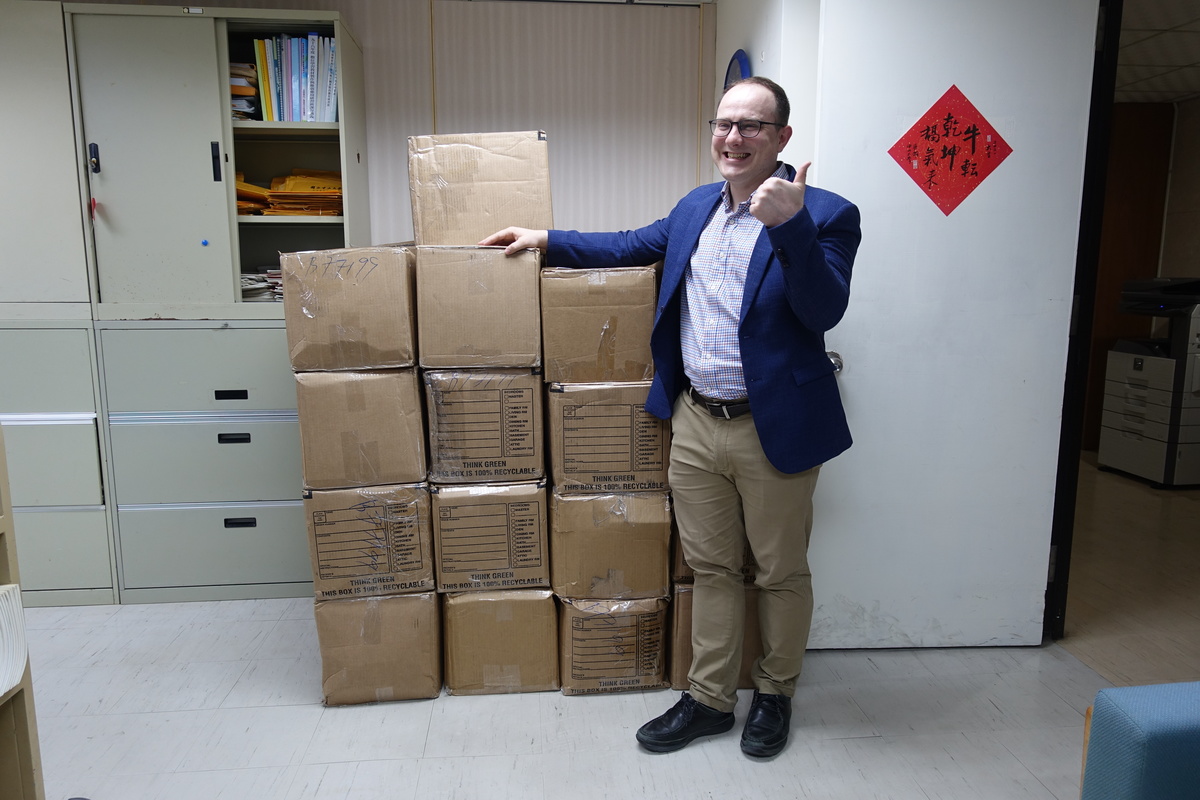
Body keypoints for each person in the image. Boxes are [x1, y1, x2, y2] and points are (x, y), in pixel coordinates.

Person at [481, 76, 862, 758]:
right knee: (712, 569)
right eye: (724, 124)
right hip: (694, 422)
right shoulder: (695, 208)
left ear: (782, 138)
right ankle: (711, 699)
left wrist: (790, 226)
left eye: (751, 125)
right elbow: (629, 243)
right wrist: (544, 237)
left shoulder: (827, 213)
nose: (733, 138)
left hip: (773, 425)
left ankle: (774, 694)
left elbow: (823, 311)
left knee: (779, 571)